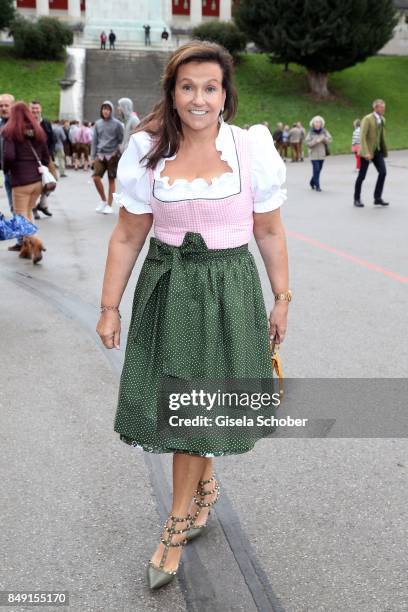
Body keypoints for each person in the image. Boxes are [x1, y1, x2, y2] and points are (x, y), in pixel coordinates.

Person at [96, 41, 290, 590]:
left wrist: (282, 297)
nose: (198, 99)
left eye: (210, 87)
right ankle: (200, 494)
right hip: (167, 288)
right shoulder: (146, 150)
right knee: (186, 411)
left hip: (230, 291)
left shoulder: (251, 149)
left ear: (225, 93)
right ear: (172, 91)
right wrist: (109, 307)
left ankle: (175, 528)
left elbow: (270, 231)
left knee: (197, 411)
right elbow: (128, 234)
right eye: (188, 87)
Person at [2, 102, 48, 264]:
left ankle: (35, 242)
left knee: (21, 218)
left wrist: (6, 169)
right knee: (28, 213)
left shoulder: (11, 132)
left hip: (21, 181)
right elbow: (46, 157)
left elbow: (8, 157)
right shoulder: (38, 130)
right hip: (37, 181)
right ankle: (28, 248)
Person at [354, 100, 389, 208]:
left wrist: (383, 149)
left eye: (384, 107)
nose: (383, 109)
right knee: (362, 176)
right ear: (375, 108)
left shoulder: (382, 119)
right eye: (382, 108)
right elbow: (362, 136)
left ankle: (377, 198)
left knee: (383, 172)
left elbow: (380, 136)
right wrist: (366, 152)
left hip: (377, 151)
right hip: (367, 151)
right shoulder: (367, 119)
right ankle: (357, 199)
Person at [91, 101, 124, 214]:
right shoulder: (98, 123)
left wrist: (117, 152)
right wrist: (93, 156)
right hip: (100, 155)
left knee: (111, 180)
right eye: (103, 109)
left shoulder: (117, 124)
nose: (105, 111)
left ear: (111, 110)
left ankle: (109, 205)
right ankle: (103, 201)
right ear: (101, 110)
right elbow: (94, 141)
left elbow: (121, 140)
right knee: (96, 177)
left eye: (108, 109)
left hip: (112, 155)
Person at [0, 93, 22, 252]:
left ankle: (26, 241)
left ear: (12, 106)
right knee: (13, 207)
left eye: (6, 105)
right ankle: (22, 241)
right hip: (5, 172)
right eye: (1, 106)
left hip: (17, 173)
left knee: (19, 208)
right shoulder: (1, 124)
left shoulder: (18, 125)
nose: (3, 108)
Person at [30, 100, 56, 218]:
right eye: (33, 108)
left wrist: (50, 154)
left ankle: (42, 202)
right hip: (32, 158)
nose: (35, 111)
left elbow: (52, 139)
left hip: (46, 156)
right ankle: (34, 207)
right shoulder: (27, 123)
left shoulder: (45, 122)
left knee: (52, 180)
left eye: (37, 108)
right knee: (35, 183)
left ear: (41, 109)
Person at [305, 116, 332, 192]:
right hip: (313, 155)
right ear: (313, 123)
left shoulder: (324, 131)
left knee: (319, 170)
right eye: (316, 122)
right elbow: (307, 143)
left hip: (322, 154)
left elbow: (330, 140)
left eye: (319, 122)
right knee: (316, 169)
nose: (317, 123)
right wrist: (315, 141)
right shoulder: (310, 132)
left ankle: (312, 182)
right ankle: (318, 186)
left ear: (321, 123)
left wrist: (323, 139)